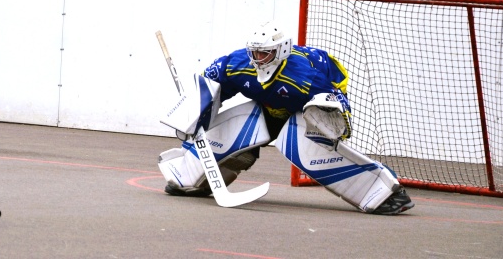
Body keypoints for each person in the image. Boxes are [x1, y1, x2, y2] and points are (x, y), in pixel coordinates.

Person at [161, 20, 414, 215]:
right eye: (255, 53)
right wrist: (196, 112)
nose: (257, 60)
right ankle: (188, 178)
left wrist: (329, 121)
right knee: (236, 130)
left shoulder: (306, 78)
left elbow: (339, 115)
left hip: (303, 109)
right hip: (269, 107)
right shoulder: (237, 63)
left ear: (281, 50)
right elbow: (210, 84)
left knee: (301, 149)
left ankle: (384, 192)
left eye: (264, 54)